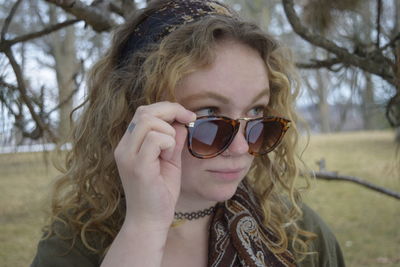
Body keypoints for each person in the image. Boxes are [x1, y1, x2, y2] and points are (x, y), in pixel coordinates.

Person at [31, 0, 345, 266]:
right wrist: (145, 227)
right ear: (136, 115)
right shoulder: (75, 245)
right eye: (209, 114)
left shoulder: (299, 231)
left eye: (257, 112)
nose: (240, 148)